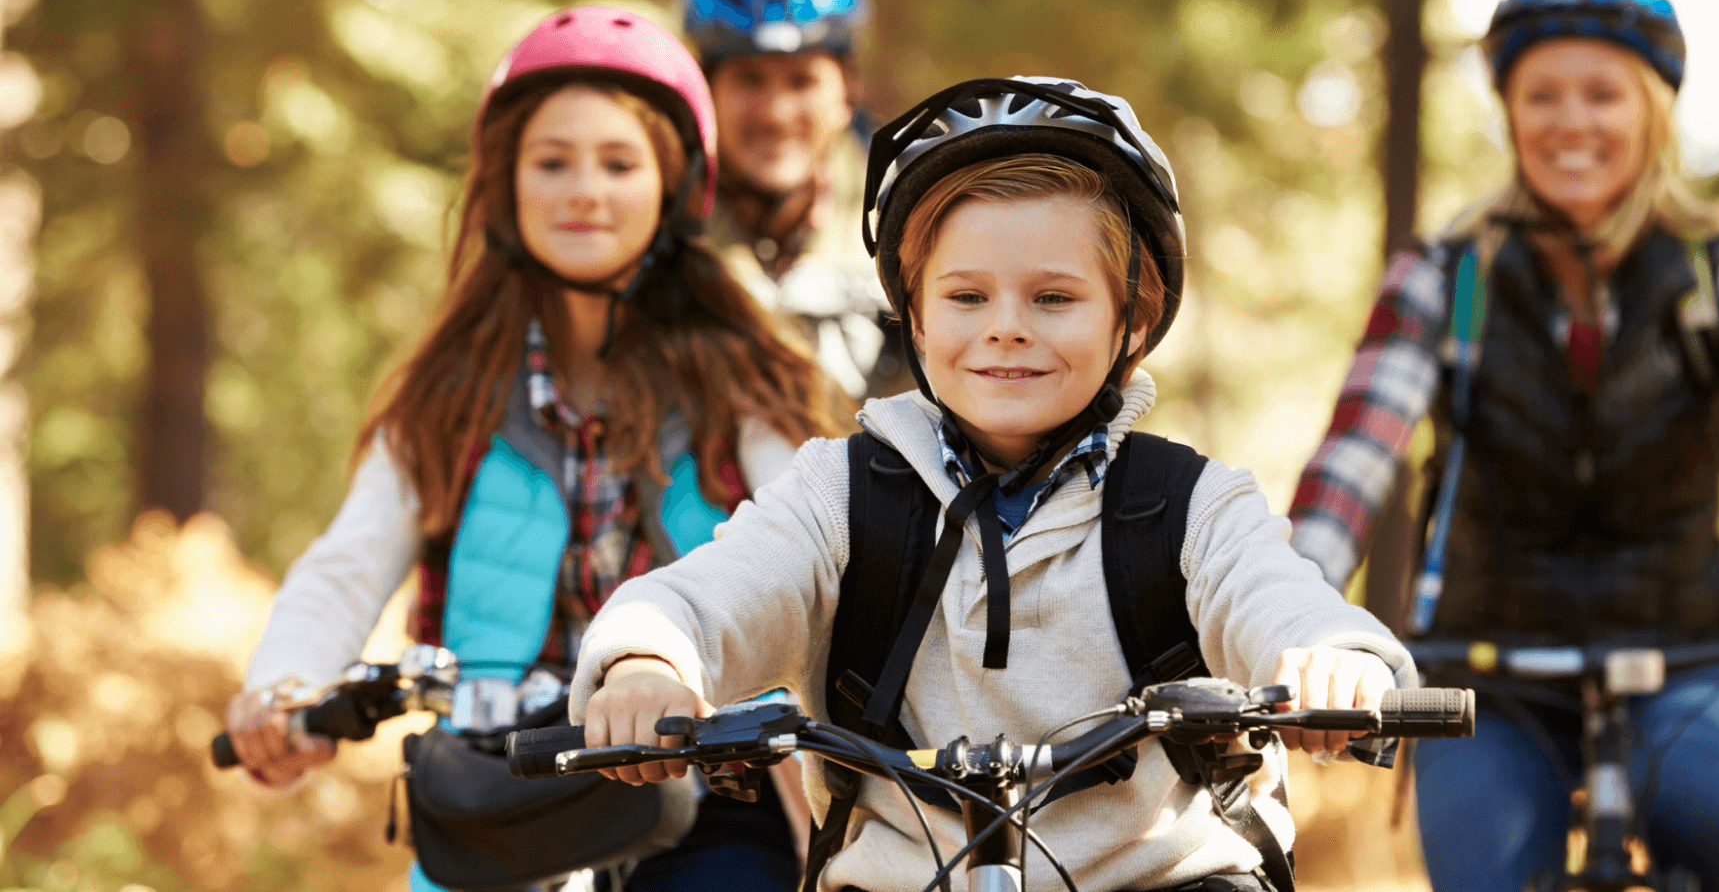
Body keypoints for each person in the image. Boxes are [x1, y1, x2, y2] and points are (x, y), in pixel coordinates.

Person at [565, 76, 1419, 892]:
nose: (1006, 329)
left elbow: (1278, 598)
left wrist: (1333, 662)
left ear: (1135, 317)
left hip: (1157, 876)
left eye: (1054, 298)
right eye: (967, 296)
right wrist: (647, 662)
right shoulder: (838, 495)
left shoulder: (1190, 503)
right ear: (916, 315)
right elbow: (708, 595)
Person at [1285, 0, 1719, 891]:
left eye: (1601, 94)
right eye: (1541, 95)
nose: (1569, 122)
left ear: (1652, 110)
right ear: (1509, 114)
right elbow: (1354, 457)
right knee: (1480, 869)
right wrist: (1298, 610)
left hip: (1691, 650)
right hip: (1484, 666)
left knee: (1709, 819)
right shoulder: (1444, 275)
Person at [220, 6, 835, 891]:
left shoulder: (741, 377)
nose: (585, 189)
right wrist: (283, 687)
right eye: (553, 163)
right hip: (502, 788)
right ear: (506, 184)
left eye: (619, 164)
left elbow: (811, 545)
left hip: (708, 787)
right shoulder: (450, 391)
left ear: (672, 185)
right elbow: (346, 564)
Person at [678, 0, 911, 402]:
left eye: (802, 80)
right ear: (705, 89)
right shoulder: (653, 229)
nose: (776, 114)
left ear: (848, 91)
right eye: (750, 79)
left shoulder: (916, 228)